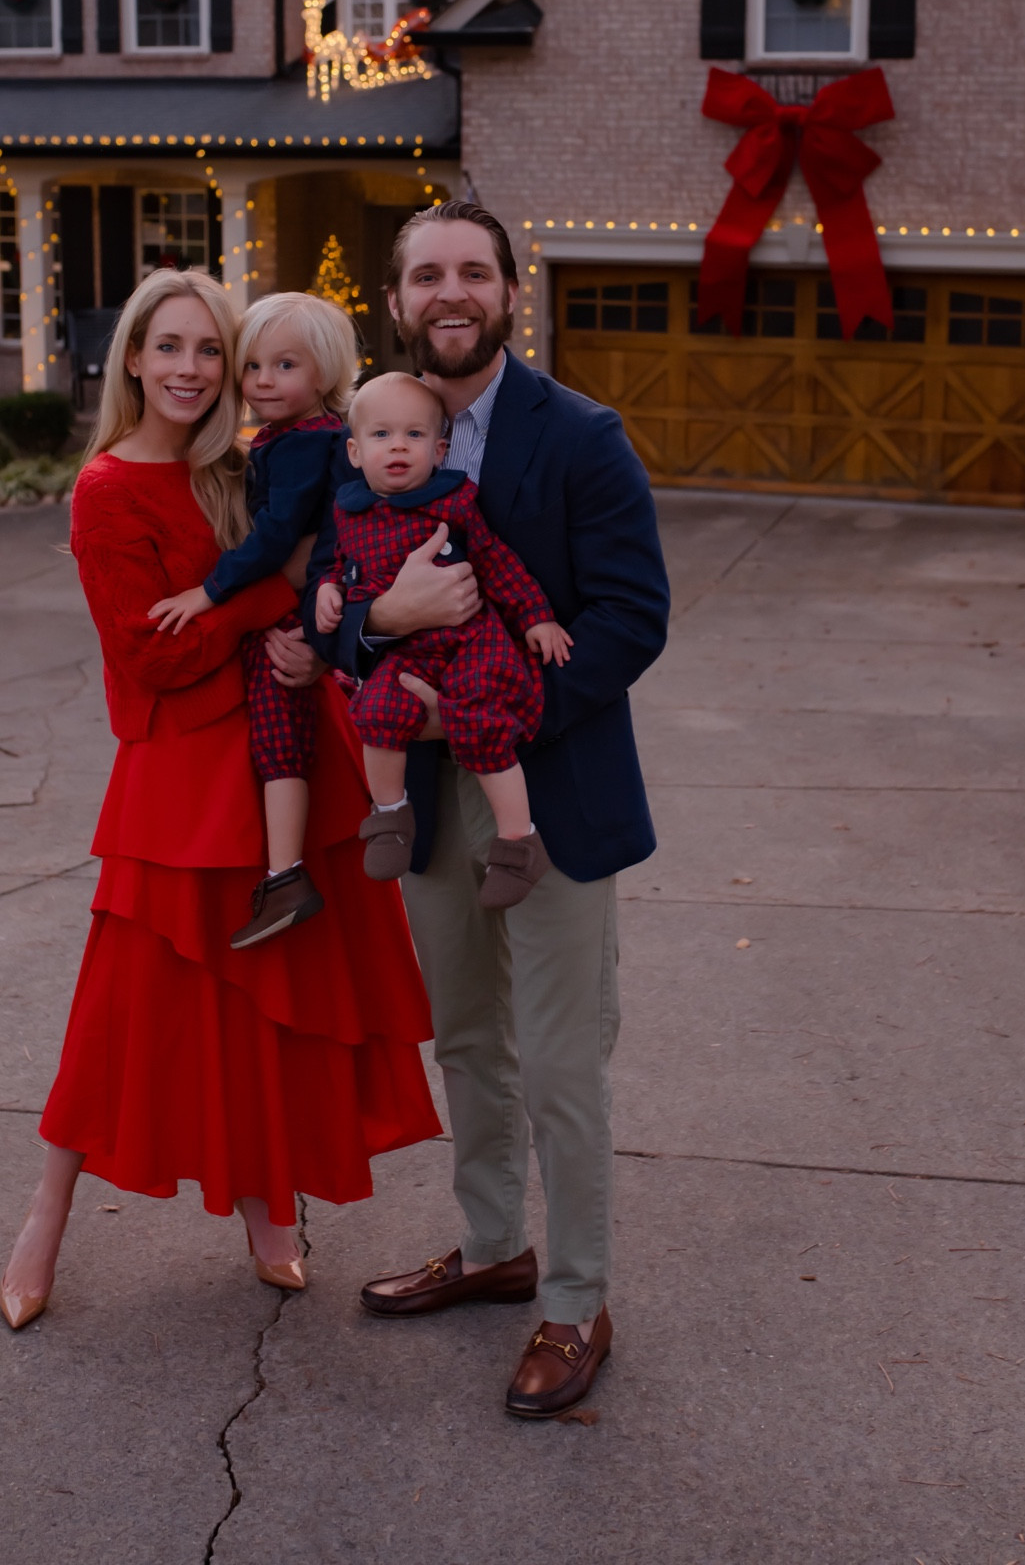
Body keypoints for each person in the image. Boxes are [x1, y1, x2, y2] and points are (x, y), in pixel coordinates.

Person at [0, 268, 438, 1331]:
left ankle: (267, 1212)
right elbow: (153, 658)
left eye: (211, 349)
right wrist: (271, 603)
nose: (193, 369)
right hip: (176, 779)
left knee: (269, 996)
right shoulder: (107, 487)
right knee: (120, 1010)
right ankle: (42, 1219)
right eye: (172, 347)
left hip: (279, 757)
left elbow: (316, 564)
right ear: (134, 358)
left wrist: (308, 636)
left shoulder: (236, 467)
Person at [305, 198, 669, 1420]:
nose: (449, 291)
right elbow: (340, 605)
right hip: (425, 798)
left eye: (473, 270)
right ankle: (493, 1243)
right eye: (425, 275)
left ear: (507, 290)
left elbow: (631, 614)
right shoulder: (368, 440)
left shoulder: (581, 435)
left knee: (563, 1058)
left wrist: (503, 711)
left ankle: (574, 1299)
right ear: (397, 301)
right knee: (466, 1036)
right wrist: (380, 629)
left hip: (542, 787)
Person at [148, 291, 358, 950]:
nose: (264, 380)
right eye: (253, 366)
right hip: (317, 595)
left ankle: (286, 874)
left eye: (285, 366)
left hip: (305, 608)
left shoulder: (302, 444)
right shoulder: (294, 437)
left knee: (278, 734)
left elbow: (273, 537)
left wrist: (208, 593)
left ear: (323, 374)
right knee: (281, 730)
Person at [314, 371, 572, 905]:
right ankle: (389, 817)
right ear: (357, 453)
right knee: (377, 710)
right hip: (408, 653)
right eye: (382, 436)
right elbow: (344, 565)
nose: (398, 447)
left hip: (470, 642)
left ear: (439, 450)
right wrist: (329, 589)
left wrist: (535, 616)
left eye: (413, 436)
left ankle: (519, 841)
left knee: (480, 720)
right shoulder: (350, 510)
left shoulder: (451, 503)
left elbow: (499, 564)